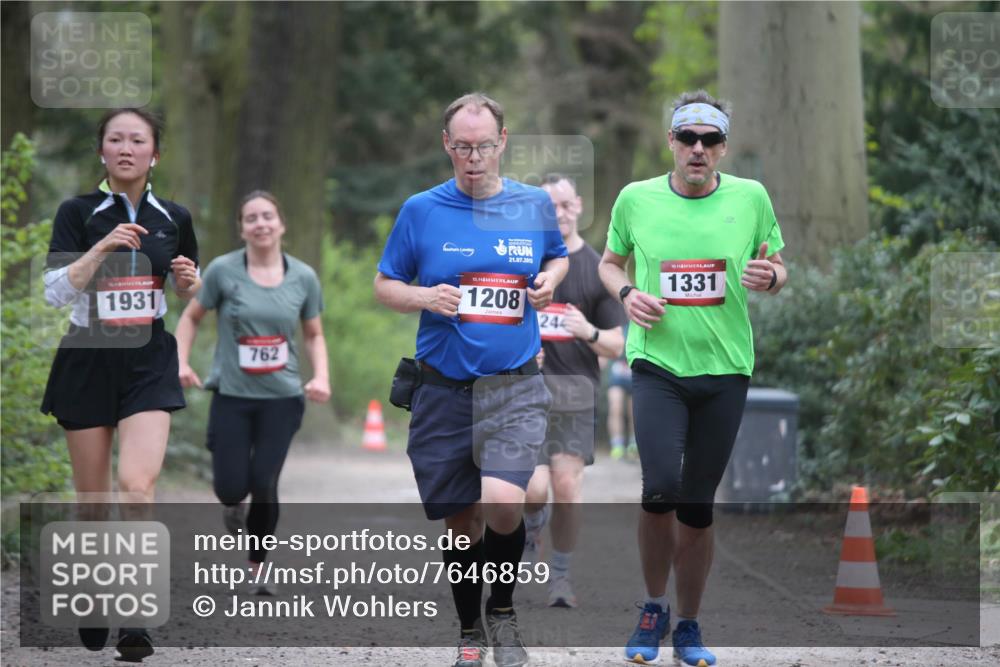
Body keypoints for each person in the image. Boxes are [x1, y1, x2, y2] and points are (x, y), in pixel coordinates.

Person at [374, 92, 568, 667]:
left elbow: (556, 257)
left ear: (503, 142)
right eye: (463, 146)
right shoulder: (421, 210)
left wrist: (549, 281)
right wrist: (423, 296)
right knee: (462, 522)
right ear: (447, 146)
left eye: (484, 146)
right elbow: (385, 284)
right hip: (442, 389)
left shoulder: (533, 205)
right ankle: (470, 632)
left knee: (503, 503)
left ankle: (503, 613)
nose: (474, 156)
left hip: (513, 386)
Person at [598, 90, 787, 666]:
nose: (698, 149)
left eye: (709, 140)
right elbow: (609, 264)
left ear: (723, 148)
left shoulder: (751, 198)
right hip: (657, 366)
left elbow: (777, 263)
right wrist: (628, 295)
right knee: (659, 491)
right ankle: (653, 606)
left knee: (698, 506)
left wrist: (770, 278)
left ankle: (689, 624)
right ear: (672, 144)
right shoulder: (636, 199)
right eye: (687, 138)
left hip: (726, 368)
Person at [41, 107, 200, 661]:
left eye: (138, 140)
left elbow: (184, 287)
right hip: (88, 358)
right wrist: (103, 246)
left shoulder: (172, 215)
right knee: (92, 504)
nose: (126, 148)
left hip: (147, 360)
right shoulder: (77, 212)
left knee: (136, 487)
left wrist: (188, 281)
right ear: (102, 151)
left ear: (155, 153)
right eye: (116, 139)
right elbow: (54, 293)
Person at [175, 190, 330, 591]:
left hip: (282, 398)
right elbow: (191, 318)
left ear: (281, 224)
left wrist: (321, 377)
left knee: (264, 482)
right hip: (231, 395)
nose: (260, 224)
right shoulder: (224, 272)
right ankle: (232, 507)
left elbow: (314, 334)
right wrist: (181, 362)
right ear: (241, 228)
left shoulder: (303, 277)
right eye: (251, 218)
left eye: (267, 216)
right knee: (230, 487)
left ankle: (258, 565)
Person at [522, 174, 625, 609]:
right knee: (531, 488)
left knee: (566, 485)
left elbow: (619, 343)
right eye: (549, 208)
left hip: (575, 396)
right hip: (522, 394)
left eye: (564, 205)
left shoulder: (596, 268)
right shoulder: (523, 263)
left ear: (579, 206)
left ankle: (560, 576)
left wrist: (588, 331)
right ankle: (531, 528)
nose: (559, 214)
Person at [606, 323, 636, 460]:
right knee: (615, 407)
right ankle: (616, 445)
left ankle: (633, 444)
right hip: (617, 371)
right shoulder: (616, 320)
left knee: (634, 411)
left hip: (635, 372)